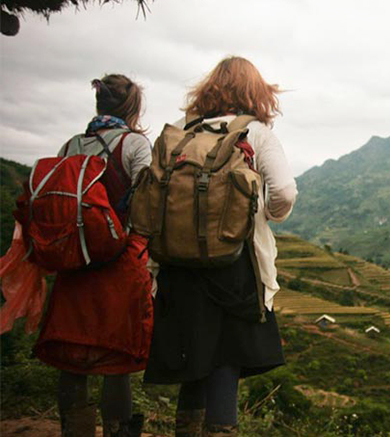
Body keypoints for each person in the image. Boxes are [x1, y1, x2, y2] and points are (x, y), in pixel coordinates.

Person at [143, 56, 297, 437]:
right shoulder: (255, 132)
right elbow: (283, 190)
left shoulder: (179, 131)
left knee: (193, 351)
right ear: (257, 93)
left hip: (176, 260)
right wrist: (264, 213)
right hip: (233, 261)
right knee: (227, 354)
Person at [38, 75, 154, 437]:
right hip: (118, 261)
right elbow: (147, 205)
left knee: (71, 354)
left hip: (74, 260)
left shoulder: (70, 145)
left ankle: (75, 429)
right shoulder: (135, 145)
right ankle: (119, 430)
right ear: (132, 108)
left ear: (99, 104)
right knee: (115, 358)